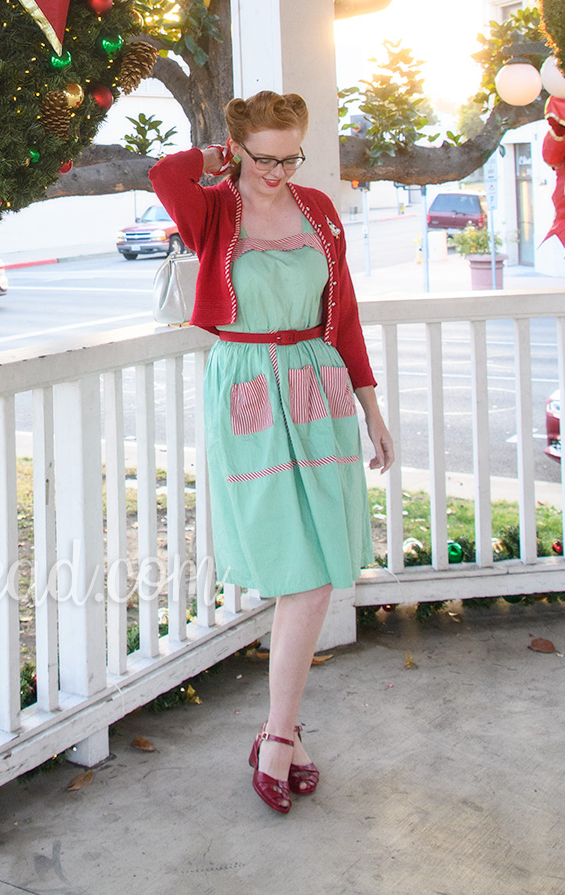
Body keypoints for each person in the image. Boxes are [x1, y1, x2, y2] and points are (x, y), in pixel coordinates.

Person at [148, 90, 393, 816]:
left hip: (318, 386)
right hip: (248, 386)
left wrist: (371, 406)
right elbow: (164, 174)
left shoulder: (318, 208)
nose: (279, 171)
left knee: (316, 571)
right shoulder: (214, 207)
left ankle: (277, 733)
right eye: (264, 158)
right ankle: (279, 733)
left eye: (291, 157)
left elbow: (341, 310)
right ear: (236, 150)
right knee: (293, 565)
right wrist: (219, 161)